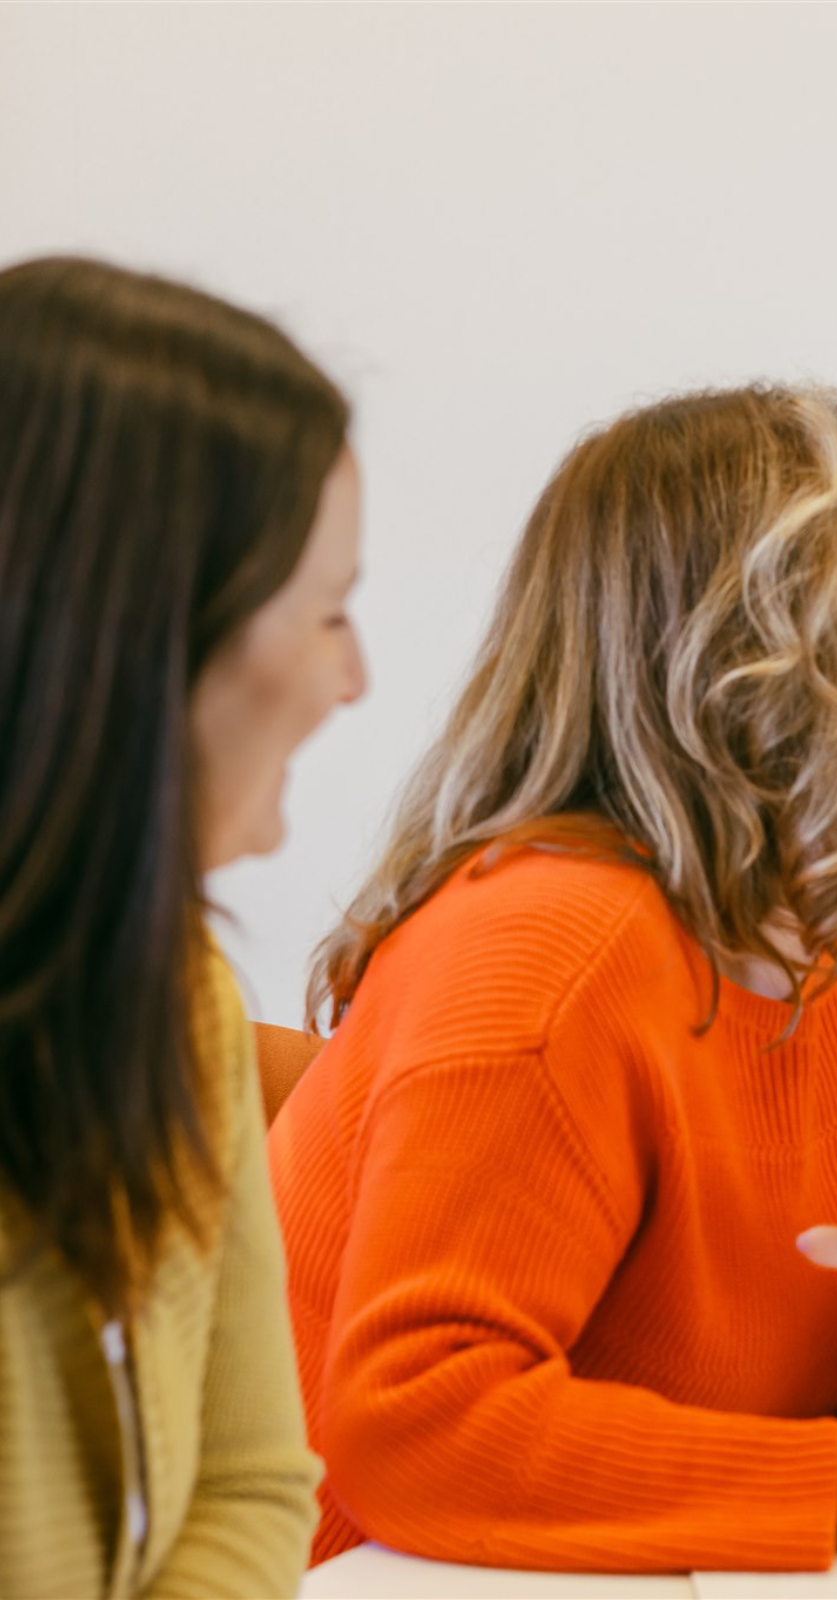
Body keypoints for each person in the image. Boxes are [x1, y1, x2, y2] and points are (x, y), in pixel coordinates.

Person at [269, 384, 837, 1573]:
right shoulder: (539, 950)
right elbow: (414, 1429)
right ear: (750, 624)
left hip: (693, 1566)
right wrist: (833, 1483)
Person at [0, 255, 367, 1595]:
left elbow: (252, 1482)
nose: (354, 678)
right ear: (137, 632)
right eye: (328, 610)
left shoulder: (175, 997)